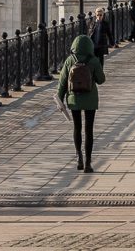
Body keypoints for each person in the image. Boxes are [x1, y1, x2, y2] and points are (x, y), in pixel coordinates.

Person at [57, 33, 105, 173]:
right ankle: (88, 163)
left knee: (77, 128)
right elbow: (101, 80)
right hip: (90, 99)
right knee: (89, 130)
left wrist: (60, 100)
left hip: (74, 99)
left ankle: (79, 158)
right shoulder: (93, 60)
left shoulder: (69, 60)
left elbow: (62, 82)